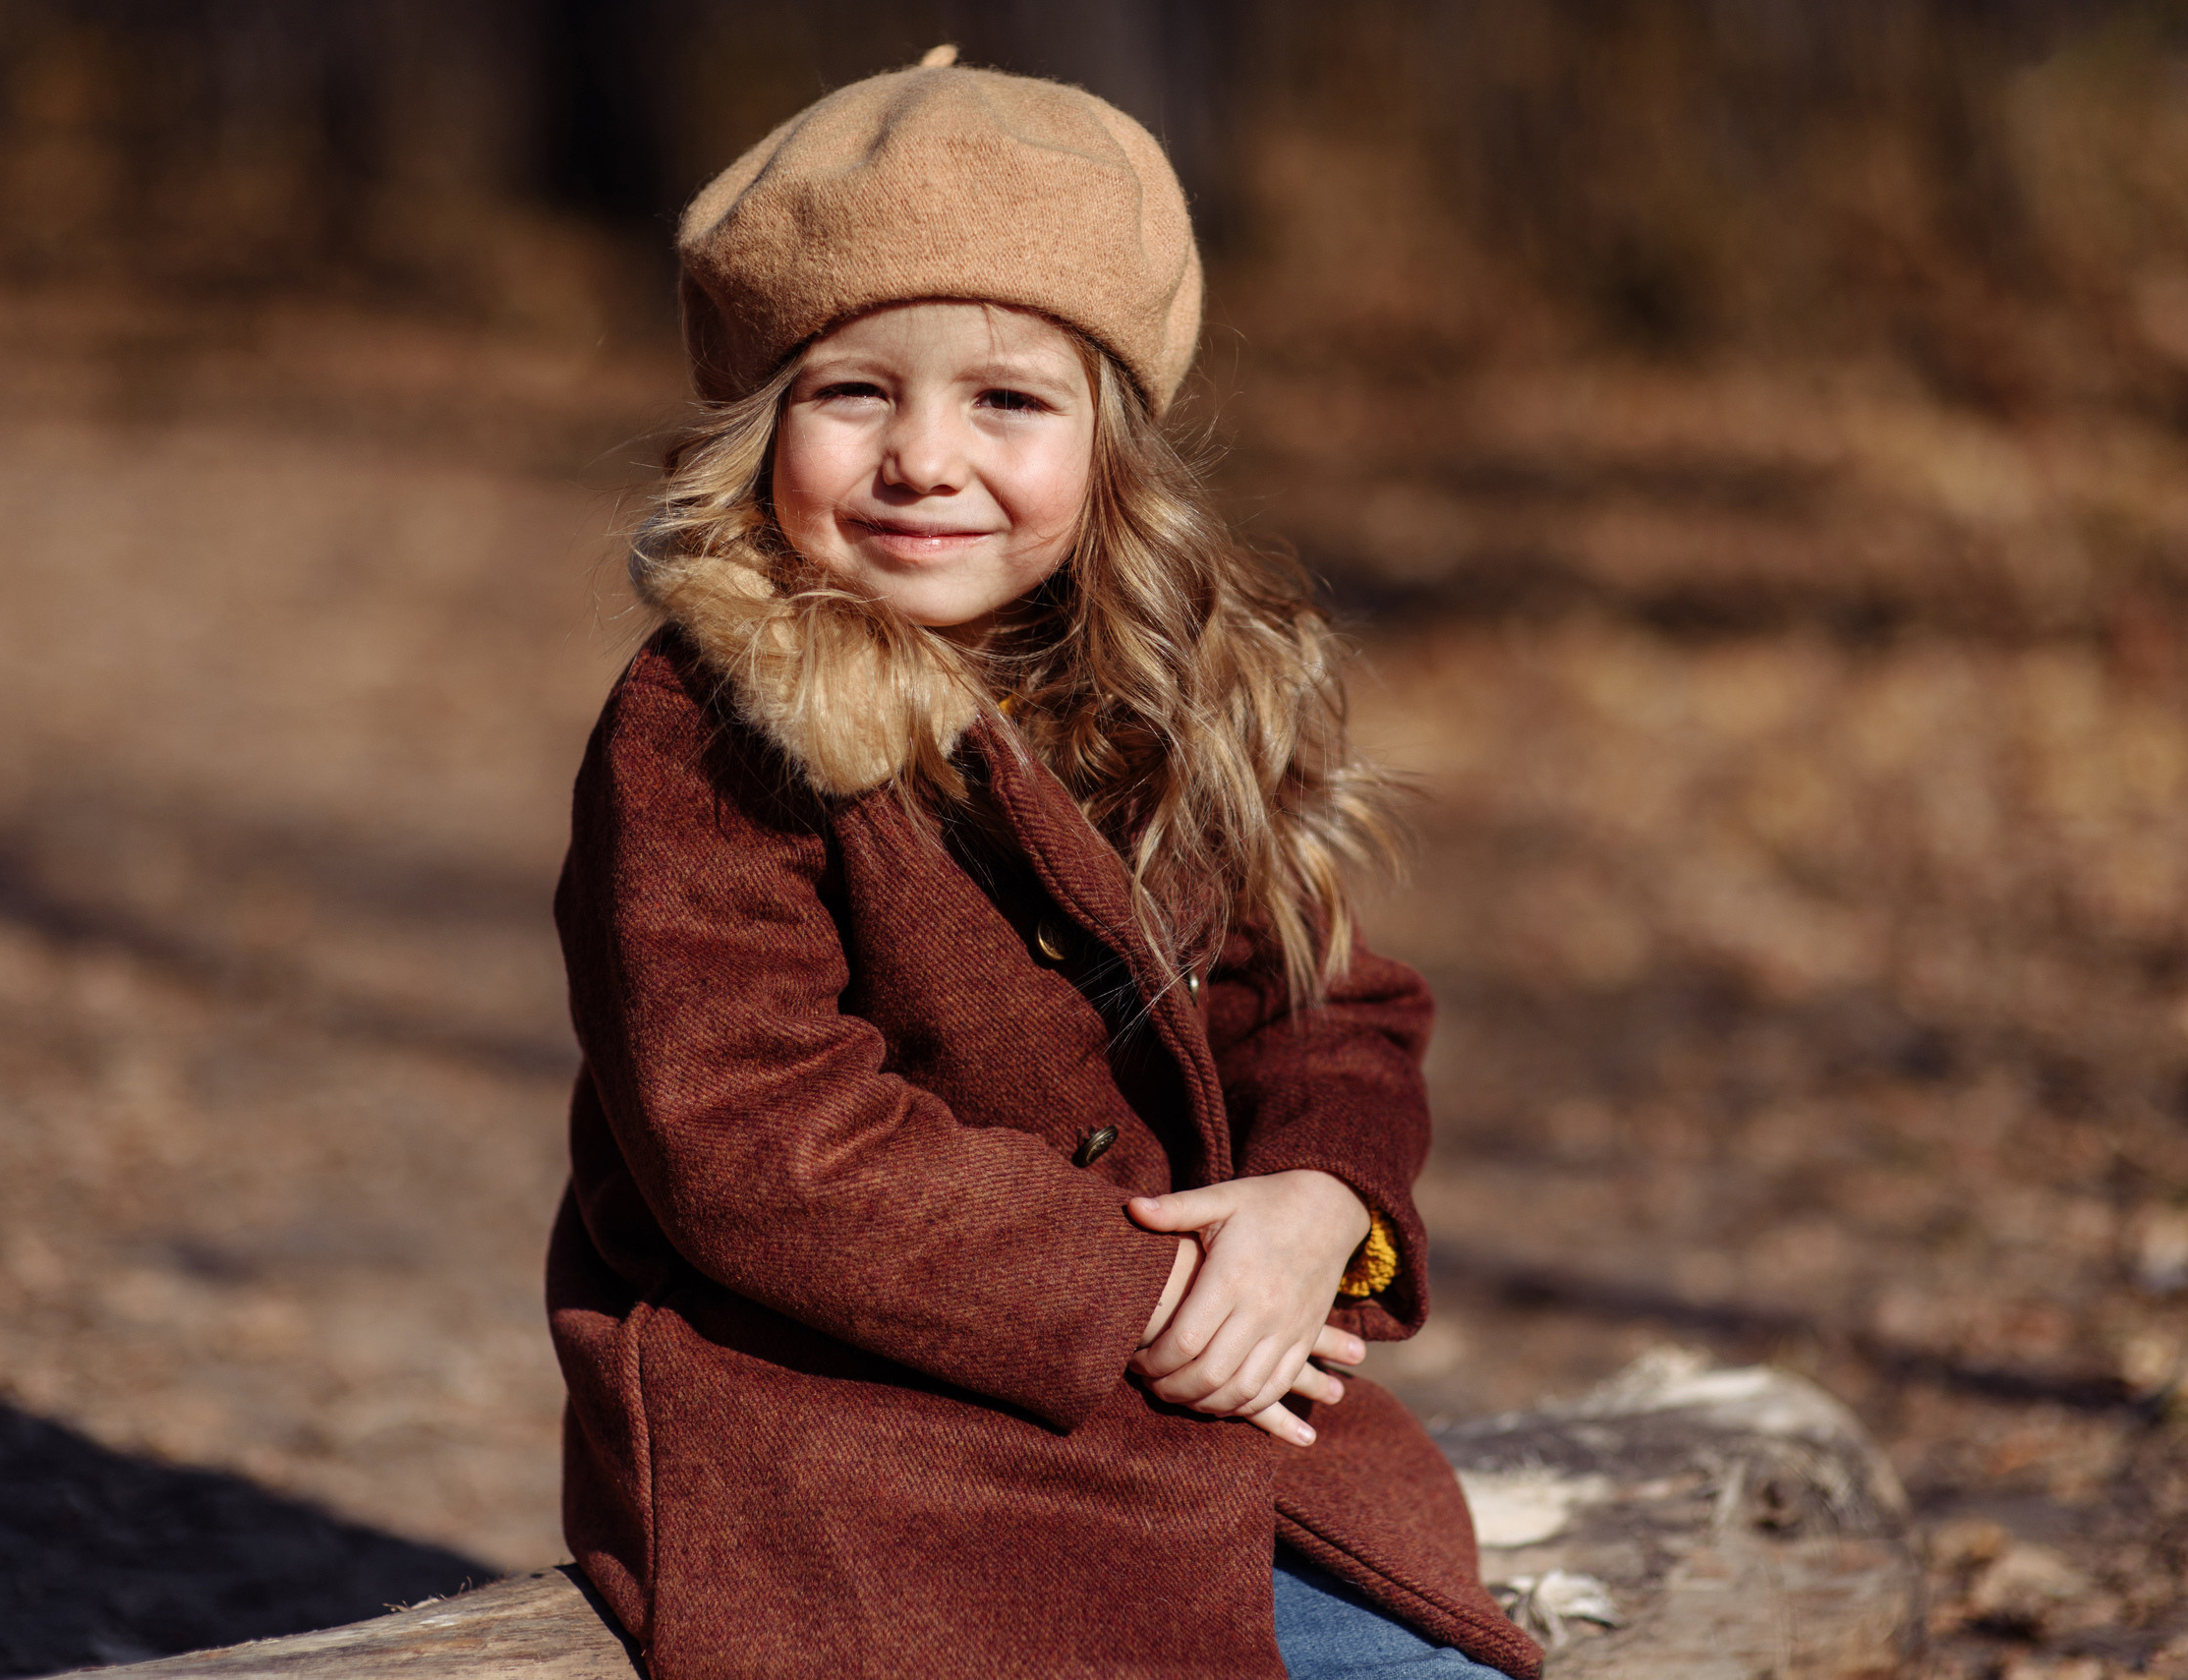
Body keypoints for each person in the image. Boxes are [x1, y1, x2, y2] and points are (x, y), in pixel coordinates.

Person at [545, 47, 1541, 1680]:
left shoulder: (1166, 682)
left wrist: (1315, 1206)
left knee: (1422, 1659)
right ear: (759, 424)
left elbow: (1322, 999)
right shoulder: (709, 726)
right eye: (853, 390)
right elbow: (751, 1130)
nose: (925, 457)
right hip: (848, 1423)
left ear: (1109, 444)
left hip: (1195, 1391)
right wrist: (1141, 1288)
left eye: (1007, 399)